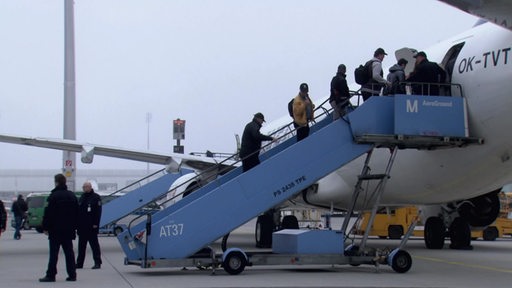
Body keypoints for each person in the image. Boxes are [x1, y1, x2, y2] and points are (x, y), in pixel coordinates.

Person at [39, 174, 79, 282]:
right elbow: (77, 213)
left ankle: (51, 275)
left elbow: (48, 213)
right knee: (69, 253)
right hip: (68, 230)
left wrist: (45, 227)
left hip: (55, 230)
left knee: (54, 254)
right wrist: (75, 227)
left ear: (56, 182)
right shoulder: (72, 196)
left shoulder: (53, 196)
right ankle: (72, 274)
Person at [76, 181, 102, 270]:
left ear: (90, 187)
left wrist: (96, 224)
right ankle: (79, 263)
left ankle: (97, 262)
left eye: (86, 187)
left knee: (94, 246)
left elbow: (98, 212)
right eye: (83, 187)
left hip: (91, 226)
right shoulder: (82, 197)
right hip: (82, 226)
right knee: (81, 246)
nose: (85, 189)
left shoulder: (96, 197)